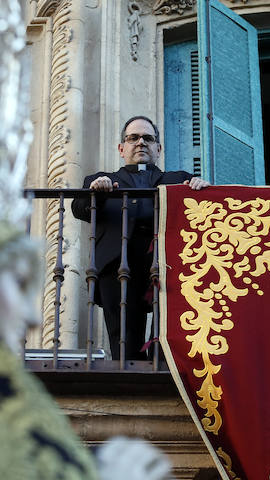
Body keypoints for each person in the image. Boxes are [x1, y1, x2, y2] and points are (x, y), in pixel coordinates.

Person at [71, 116, 210, 360]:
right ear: (121, 148)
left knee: (169, 336)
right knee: (125, 342)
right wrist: (97, 192)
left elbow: (208, 214)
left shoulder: (180, 179)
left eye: (148, 138)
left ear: (158, 148)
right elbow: (79, 209)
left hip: (169, 265)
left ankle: (166, 371)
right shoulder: (101, 179)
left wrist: (203, 189)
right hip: (117, 265)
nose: (141, 143)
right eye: (133, 138)